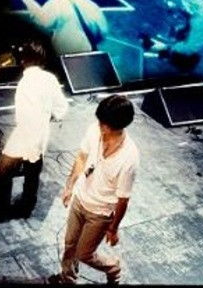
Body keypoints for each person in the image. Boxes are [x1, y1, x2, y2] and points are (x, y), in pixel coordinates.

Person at [50, 94, 138, 284]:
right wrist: (70, 185)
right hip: (80, 200)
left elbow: (123, 199)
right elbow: (82, 157)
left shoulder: (129, 157)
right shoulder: (95, 130)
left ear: (118, 125)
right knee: (69, 244)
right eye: (100, 121)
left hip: (99, 213)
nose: (99, 127)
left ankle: (113, 268)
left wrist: (113, 229)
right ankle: (67, 279)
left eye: (104, 124)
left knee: (84, 253)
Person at [0, 41, 69, 217]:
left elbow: (23, 116)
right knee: (32, 171)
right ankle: (27, 206)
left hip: (26, 133)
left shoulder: (26, 82)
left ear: (24, 60)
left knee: (3, 169)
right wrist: (48, 117)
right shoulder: (50, 79)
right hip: (41, 134)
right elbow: (62, 108)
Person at [1, 0, 108, 55]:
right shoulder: (93, 6)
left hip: (67, 59)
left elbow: (42, 21)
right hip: (90, 56)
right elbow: (103, 33)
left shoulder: (60, 2)